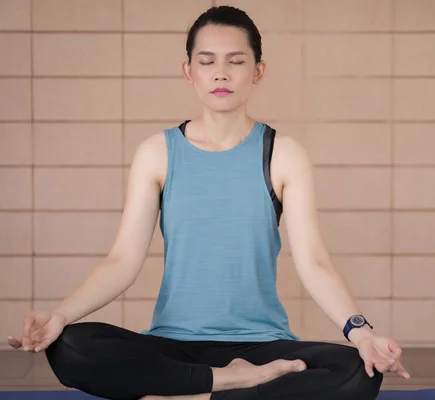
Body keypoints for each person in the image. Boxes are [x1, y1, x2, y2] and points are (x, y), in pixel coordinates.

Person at [7, 6, 410, 400]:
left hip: (262, 346)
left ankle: (186, 394)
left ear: (258, 71)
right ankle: (227, 384)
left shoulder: (283, 154)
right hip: (173, 346)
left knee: (357, 372)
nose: (221, 73)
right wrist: (60, 316)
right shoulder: (157, 153)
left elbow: (314, 262)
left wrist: (363, 332)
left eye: (236, 61)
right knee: (74, 345)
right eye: (207, 61)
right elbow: (122, 261)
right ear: (189, 72)